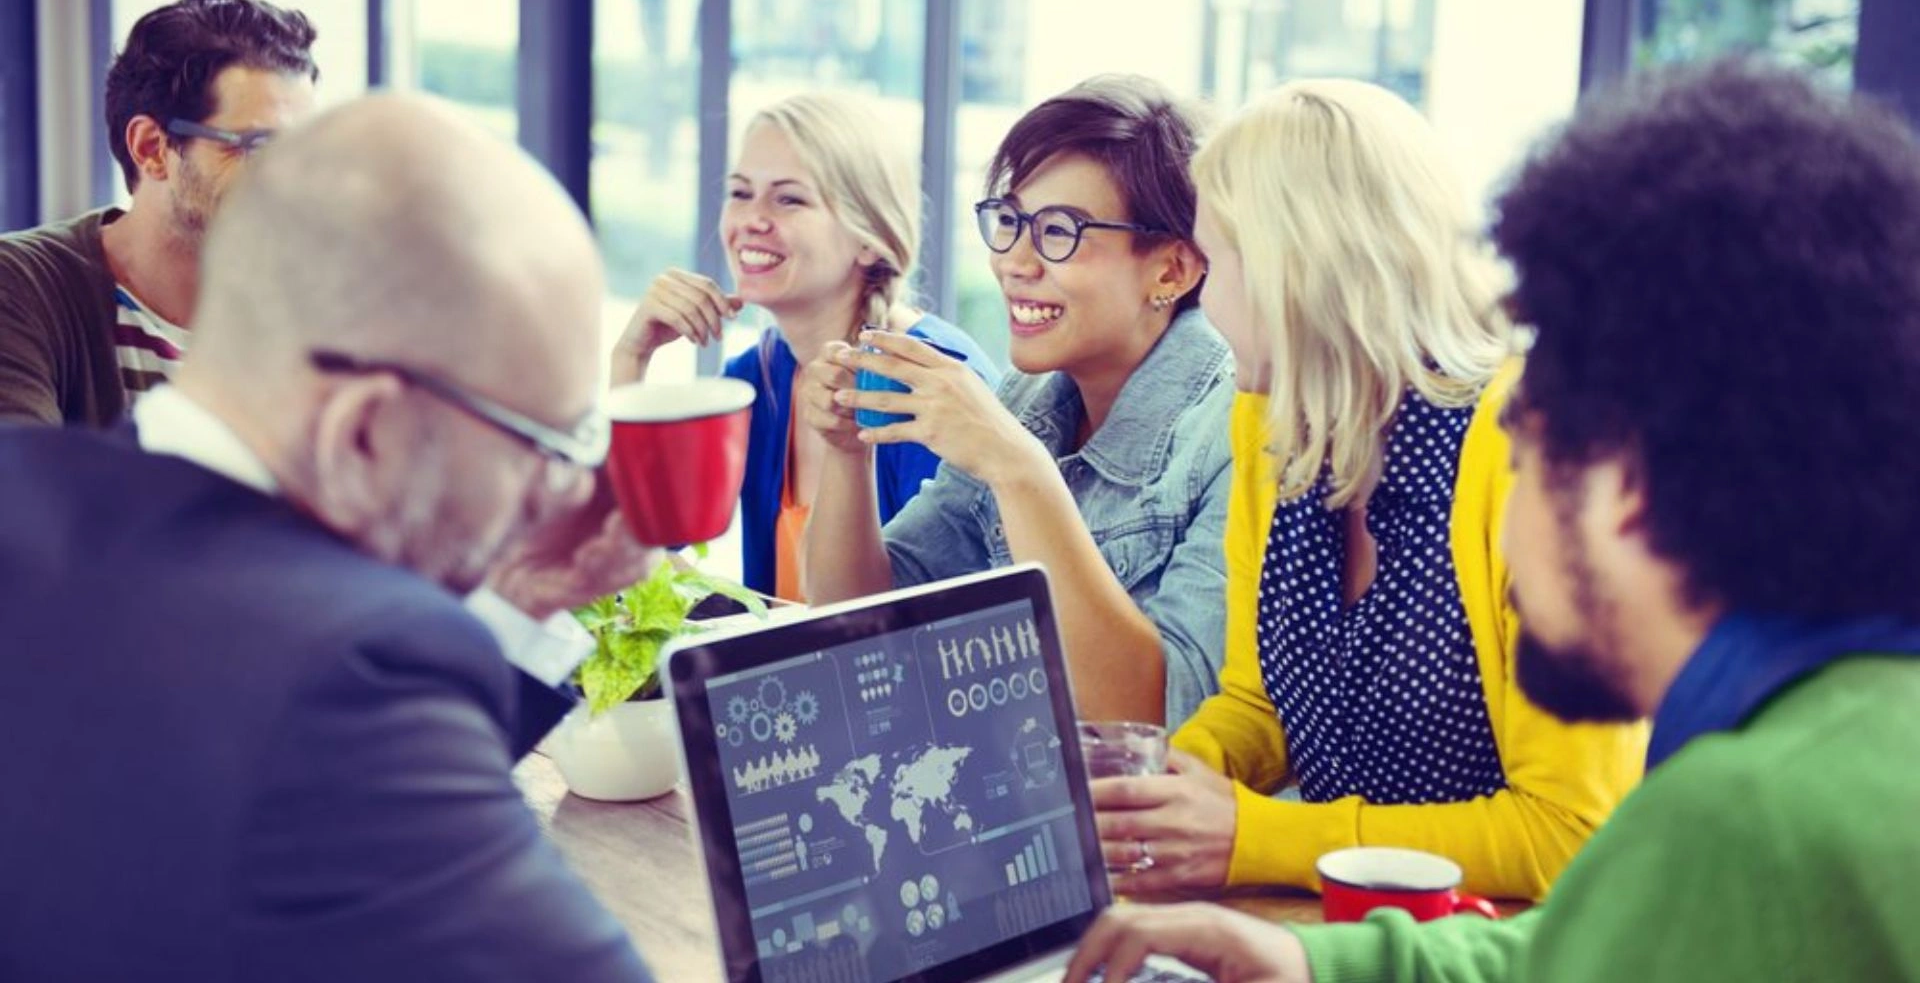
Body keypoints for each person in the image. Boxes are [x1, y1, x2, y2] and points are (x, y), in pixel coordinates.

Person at [1066, 60, 1920, 983]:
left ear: (1621, 478)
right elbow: (1563, 961)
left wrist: (1260, 841)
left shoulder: (1742, 823)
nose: (1507, 529)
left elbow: (1579, 887)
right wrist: (1311, 960)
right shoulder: (1844, 746)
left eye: (1542, 443)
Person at [0, 93, 668, 981]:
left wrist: (513, 603)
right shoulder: (343, 686)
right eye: (541, 446)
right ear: (365, 433)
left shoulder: (32, 507)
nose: (558, 489)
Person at [1090, 79, 1646, 902]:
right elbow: (1260, 701)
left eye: (1216, 264)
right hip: (1342, 938)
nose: (1203, 300)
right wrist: (1165, 788)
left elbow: (1571, 833)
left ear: (1297, 273)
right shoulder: (1268, 418)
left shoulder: (1532, 450)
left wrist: (1258, 837)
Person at [799, 76, 1234, 728]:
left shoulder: (1235, 431)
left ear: (1171, 270)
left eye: (1060, 231)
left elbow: (1165, 721)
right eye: (1010, 221)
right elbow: (861, 624)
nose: (1014, 261)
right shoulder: (1031, 397)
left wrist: (1019, 469)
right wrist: (845, 452)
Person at [610, 92, 996, 601]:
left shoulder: (932, 386)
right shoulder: (757, 376)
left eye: (789, 199)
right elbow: (635, 551)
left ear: (869, 239)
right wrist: (629, 362)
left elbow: (910, 627)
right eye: (741, 193)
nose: (752, 219)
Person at [0, 0, 319, 426]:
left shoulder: (316, 306)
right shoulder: (22, 287)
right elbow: (22, 483)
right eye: (259, 147)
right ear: (151, 148)